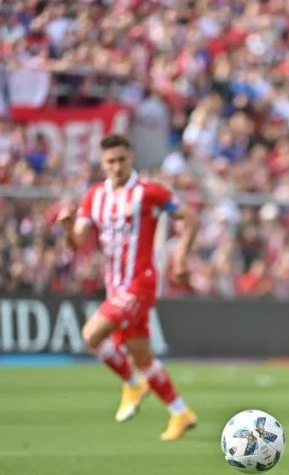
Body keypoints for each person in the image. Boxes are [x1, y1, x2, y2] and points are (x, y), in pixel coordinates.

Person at [58, 134, 199, 442]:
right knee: (142, 357)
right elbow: (77, 242)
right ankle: (180, 412)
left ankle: (132, 384)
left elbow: (189, 217)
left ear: (131, 158)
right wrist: (68, 228)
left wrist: (180, 257)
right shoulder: (94, 196)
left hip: (141, 282)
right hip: (115, 286)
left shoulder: (149, 192)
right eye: (110, 161)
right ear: (102, 163)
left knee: (91, 335)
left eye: (121, 159)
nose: (116, 166)